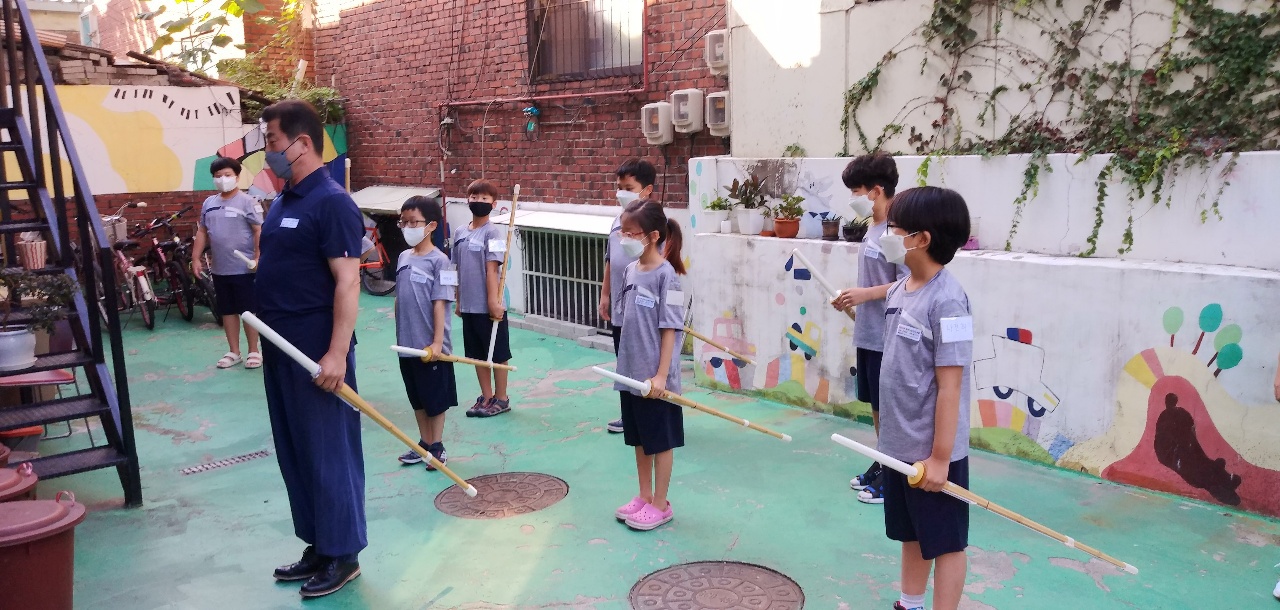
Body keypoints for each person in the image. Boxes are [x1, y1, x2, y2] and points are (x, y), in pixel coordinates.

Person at [255, 99, 366, 598]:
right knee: (296, 450)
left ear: (302, 143)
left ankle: (344, 554)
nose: (267, 152)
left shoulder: (331, 201)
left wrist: (336, 353)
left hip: (317, 350)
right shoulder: (284, 200)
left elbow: (348, 282)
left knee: (328, 452)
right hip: (280, 346)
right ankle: (319, 545)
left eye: (272, 141)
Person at [876, 186, 974, 610]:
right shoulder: (899, 289)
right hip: (899, 444)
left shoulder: (949, 301)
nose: (887, 234)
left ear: (921, 238)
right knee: (911, 533)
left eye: (894, 227)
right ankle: (909, 603)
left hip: (933, 452)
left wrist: (940, 458)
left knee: (945, 541)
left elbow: (951, 386)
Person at [831, 152, 906, 504]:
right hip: (870, 333)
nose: (852, 199)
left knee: (888, 411)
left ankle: (895, 475)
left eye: (856, 191)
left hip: (888, 335)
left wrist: (865, 294)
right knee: (876, 407)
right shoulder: (873, 229)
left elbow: (909, 284)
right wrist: (852, 299)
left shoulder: (896, 231)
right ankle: (884, 461)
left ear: (876, 191)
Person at [612, 198, 686, 532]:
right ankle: (644, 495)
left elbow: (670, 329)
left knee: (660, 440)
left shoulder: (668, 276)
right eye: (623, 232)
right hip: (630, 373)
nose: (625, 238)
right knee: (639, 439)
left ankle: (660, 503)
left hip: (656, 378)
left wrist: (661, 375)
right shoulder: (630, 270)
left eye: (632, 233)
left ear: (653, 235)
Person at [394, 196, 457, 470]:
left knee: (434, 398)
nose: (407, 227)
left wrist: (437, 343)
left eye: (413, 222)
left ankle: (437, 446)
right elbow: (400, 297)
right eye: (403, 222)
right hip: (406, 343)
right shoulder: (403, 257)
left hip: (430, 346)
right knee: (417, 398)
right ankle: (424, 444)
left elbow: (440, 302)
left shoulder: (441, 261)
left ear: (431, 226)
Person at [600, 158, 656, 434]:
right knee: (623, 360)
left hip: (643, 308)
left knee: (643, 361)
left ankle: (649, 414)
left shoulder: (655, 223)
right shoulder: (617, 220)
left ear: (647, 190)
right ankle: (628, 416)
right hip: (620, 307)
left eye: (629, 188)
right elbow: (610, 259)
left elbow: (661, 267)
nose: (622, 193)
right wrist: (605, 294)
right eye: (619, 187)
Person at [191, 156, 263, 369]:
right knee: (228, 311)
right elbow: (202, 231)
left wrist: (258, 257)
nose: (223, 179)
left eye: (227, 175)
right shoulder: (209, 203)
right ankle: (234, 351)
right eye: (218, 176)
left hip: (244, 269)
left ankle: (254, 351)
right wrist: (195, 257)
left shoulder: (248, 202)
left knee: (248, 312)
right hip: (220, 269)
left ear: (237, 177)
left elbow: (258, 231)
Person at [452, 179, 513, 417]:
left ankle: (502, 398)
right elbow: (456, 268)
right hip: (468, 306)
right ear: (468, 199)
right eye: (474, 197)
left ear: (493, 204)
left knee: (498, 354)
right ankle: (486, 396)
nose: (479, 201)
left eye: (484, 198)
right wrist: (458, 300)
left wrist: (493, 303)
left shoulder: (493, 232)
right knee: (477, 355)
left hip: (489, 306)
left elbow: (492, 269)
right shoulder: (459, 232)